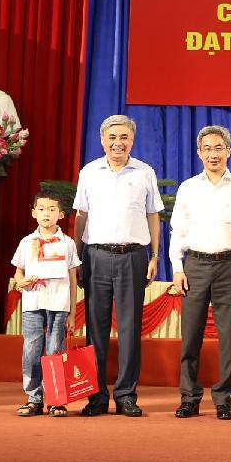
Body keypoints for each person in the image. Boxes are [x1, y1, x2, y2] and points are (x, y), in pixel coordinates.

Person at [72, 114, 162, 417]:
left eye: (124, 137)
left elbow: (152, 215)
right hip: (95, 256)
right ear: (102, 141)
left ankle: (126, 395)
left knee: (129, 329)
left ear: (132, 141)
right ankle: (96, 397)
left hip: (133, 256)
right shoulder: (89, 172)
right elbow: (81, 216)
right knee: (95, 330)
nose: (117, 143)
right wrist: (77, 258)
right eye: (112, 137)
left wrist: (154, 255)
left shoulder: (145, 172)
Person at [169, 125, 231, 420]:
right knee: (190, 335)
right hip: (194, 265)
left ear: (228, 151)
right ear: (199, 153)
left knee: (228, 336)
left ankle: (223, 398)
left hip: (230, 266)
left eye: (218, 148)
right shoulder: (188, 188)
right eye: (207, 148)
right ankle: (189, 397)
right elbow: (178, 230)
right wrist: (177, 268)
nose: (213, 154)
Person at [10, 189, 80, 416]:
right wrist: (22, 281)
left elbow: (72, 278)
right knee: (31, 349)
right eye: (41, 209)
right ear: (34, 213)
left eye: (51, 209)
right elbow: (18, 273)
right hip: (33, 303)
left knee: (54, 350)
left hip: (59, 305)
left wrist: (72, 313)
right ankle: (34, 398)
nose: (46, 213)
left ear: (61, 214)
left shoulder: (67, 243)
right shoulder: (27, 242)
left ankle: (56, 399)